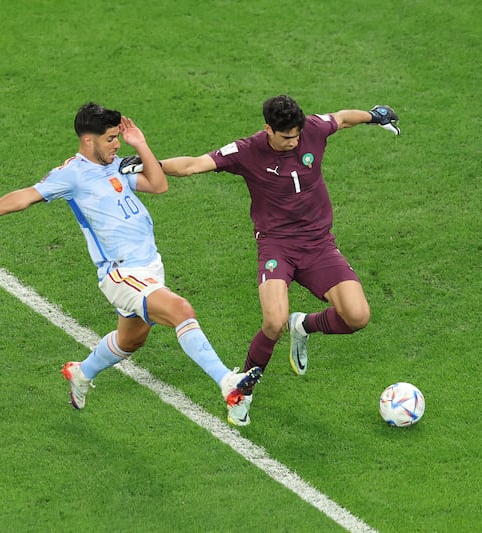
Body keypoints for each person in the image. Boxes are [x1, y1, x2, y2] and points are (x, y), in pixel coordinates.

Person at [0, 102, 261, 425]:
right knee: (182, 311)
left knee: (130, 340)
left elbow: (159, 185)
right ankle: (228, 383)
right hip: (121, 273)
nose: (116, 144)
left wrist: (141, 144)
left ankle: (81, 373)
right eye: (110, 138)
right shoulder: (72, 176)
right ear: (88, 140)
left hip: (150, 266)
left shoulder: (117, 165)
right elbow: (25, 196)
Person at [151, 95, 400, 425]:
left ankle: (304, 325)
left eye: (297, 136)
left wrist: (373, 115)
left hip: (319, 245)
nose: (295, 142)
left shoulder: (311, 128)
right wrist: (146, 165)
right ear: (268, 129)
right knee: (273, 321)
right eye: (287, 138)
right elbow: (194, 164)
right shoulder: (247, 151)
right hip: (277, 247)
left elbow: (341, 118)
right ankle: (241, 394)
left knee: (357, 316)